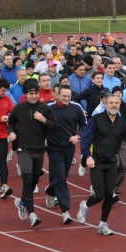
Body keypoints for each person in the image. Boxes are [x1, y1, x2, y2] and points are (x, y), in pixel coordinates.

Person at [77, 94, 126, 235]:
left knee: (110, 197)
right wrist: (87, 156)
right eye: (111, 103)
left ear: (119, 104)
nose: (114, 105)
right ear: (105, 104)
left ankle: (103, 224)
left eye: (116, 103)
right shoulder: (96, 119)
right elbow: (86, 139)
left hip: (111, 162)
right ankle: (85, 205)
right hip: (96, 162)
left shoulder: (121, 122)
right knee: (99, 195)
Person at [9, 80, 59, 227]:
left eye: (36, 93)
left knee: (35, 178)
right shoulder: (18, 108)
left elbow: (55, 126)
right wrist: (11, 132)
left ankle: (23, 202)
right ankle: (32, 214)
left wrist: (43, 120)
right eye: (31, 93)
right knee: (28, 180)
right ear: (26, 94)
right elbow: (11, 122)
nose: (34, 96)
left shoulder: (45, 109)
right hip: (23, 149)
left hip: (39, 149)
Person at [45, 85, 87, 224]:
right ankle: (65, 211)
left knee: (62, 176)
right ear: (58, 95)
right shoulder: (49, 108)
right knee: (61, 179)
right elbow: (42, 125)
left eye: (69, 96)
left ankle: (50, 190)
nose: (67, 99)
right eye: (64, 96)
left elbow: (83, 124)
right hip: (53, 147)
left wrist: (77, 136)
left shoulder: (76, 107)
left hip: (69, 147)